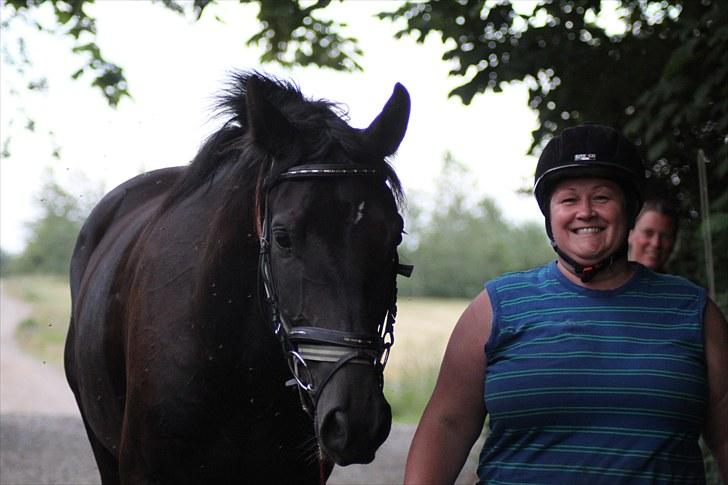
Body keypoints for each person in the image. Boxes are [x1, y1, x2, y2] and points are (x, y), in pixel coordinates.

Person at [404, 124, 728, 484]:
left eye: (602, 197)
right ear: (550, 214)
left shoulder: (694, 312)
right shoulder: (495, 308)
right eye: (569, 199)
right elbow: (446, 425)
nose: (585, 211)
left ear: (630, 208)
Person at [628, 196, 679, 271]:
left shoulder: (679, 283)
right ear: (629, 234)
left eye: (665, 236)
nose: (656, 243)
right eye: (648, 233)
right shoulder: (607, 280)